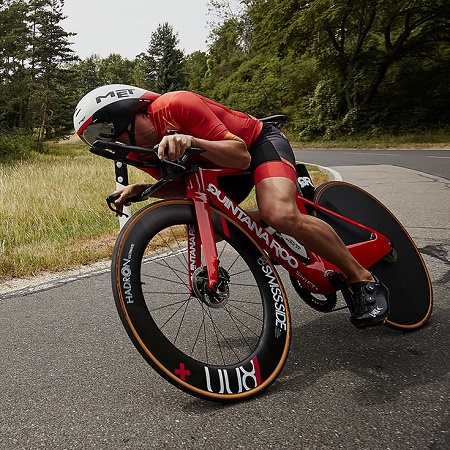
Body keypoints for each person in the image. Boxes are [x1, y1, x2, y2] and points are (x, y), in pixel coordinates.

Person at [73, 84, 389, 328]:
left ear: (128, 113)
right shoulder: (137, 150)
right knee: (208, 228)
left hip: (256, 146)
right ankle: (279, 235)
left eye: (105, 131)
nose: (112, 143)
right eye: (97, 138)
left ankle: (363, 280)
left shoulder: (175, 105)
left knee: (279, 212)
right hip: (223, 171)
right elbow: (183, 189)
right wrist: (144, 190)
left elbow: (241, 156)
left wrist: (192, 141)